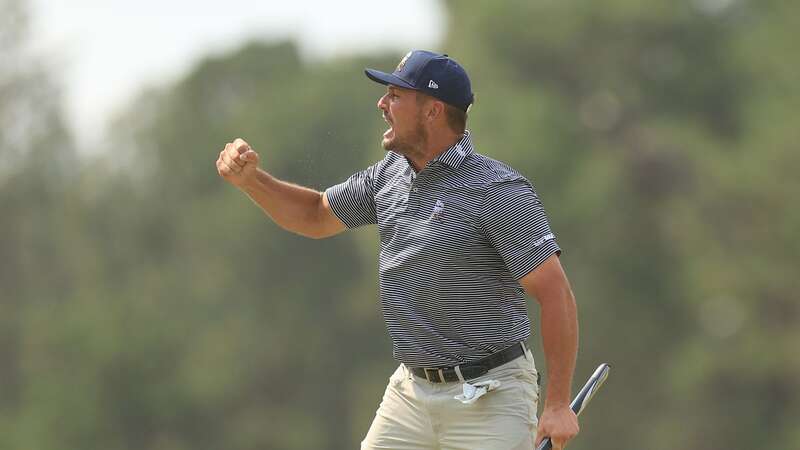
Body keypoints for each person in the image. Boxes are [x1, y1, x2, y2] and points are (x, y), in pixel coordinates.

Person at [215, 50, 579, 450]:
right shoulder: (388, 175)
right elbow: (315, 214)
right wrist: (252, 182)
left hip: (491, 396)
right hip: (411, 393)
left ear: (433, 111)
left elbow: (554, 293)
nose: (382, 104)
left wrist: (558, 404)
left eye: (395, 95)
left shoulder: (496, 191)